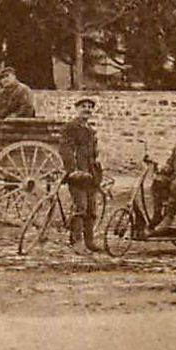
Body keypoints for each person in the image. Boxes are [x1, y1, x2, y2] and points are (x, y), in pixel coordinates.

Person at [58, 97, 102, 253]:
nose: (87, 109)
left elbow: (94, 153)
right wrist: (72, 170)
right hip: (77, 174)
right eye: (84, 106)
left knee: (92, 208)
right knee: (80, 207)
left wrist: (97, 168)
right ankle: (76, 241)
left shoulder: (90, 130)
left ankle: (89, 241)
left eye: (90, 107)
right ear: (77, 108)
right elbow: (66, 150)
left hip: (91, 174)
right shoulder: (70, 127)